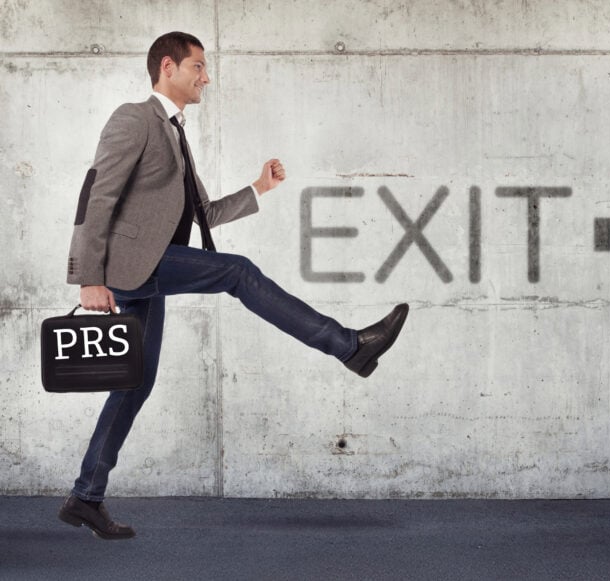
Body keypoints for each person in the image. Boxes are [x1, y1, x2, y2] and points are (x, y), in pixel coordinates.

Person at [57, 31, 408, 540]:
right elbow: (97, 198)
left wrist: (258, 189)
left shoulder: (176, 133)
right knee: (237, 271)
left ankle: (85, 497)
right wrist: (89, 278)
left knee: (134, 383)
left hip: (146, 270)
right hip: (129, 265)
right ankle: (349, 345)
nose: (206, 77)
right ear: (168, 67)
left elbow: (204, 214)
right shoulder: (134, 118)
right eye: (198, 67)